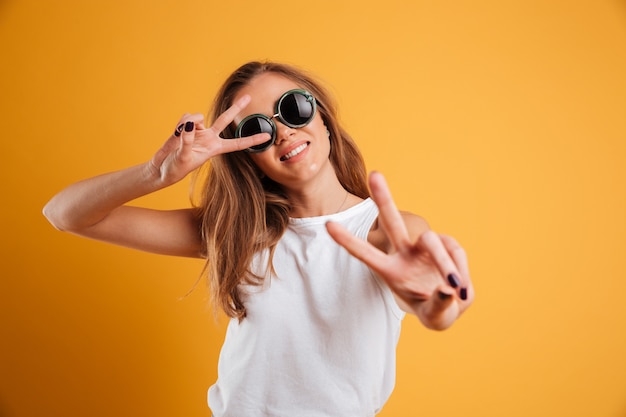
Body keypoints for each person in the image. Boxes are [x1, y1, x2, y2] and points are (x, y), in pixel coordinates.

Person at [43, 61, 474, 416]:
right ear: (247, 156)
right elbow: (64, 215)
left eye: (295, 108)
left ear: (324, 118)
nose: (284, 132)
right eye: (259, 129)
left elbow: (437, 310)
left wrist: (437, 304)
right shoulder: (238, 232)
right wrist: (156, 174)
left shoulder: (388, 233)